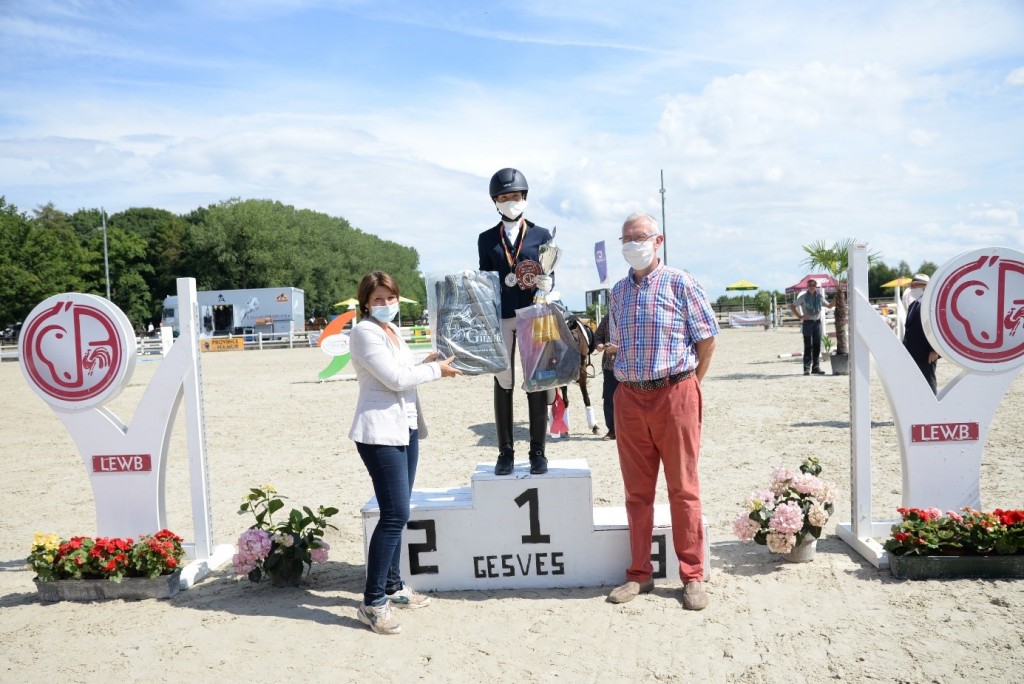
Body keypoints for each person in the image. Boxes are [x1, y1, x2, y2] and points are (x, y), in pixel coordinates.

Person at [606, 212, 718, 611]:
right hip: (630, 397)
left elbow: (706, 341)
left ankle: (692, 575)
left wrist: (691, 386)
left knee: (683, 489)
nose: (631, 245)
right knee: (637, 493)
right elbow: (618, 342)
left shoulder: (681, 282)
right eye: (625, 239)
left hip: (675, 392)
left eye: (638, 237)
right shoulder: (617, 292)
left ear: (658, 240)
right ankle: (639, 573)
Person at [348, 271, 462, 635]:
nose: (385, 305)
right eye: (378, 299)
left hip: (405, 428)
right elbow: (394, 380)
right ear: (365, 302)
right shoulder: (365, 331)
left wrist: (426, 361)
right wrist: (434, 370)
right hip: (379, 432)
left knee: (398, 510)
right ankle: (372, 601)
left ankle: (393, 586)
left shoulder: (391, 331)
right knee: (395, 514)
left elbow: (403, 370)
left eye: (390, 298)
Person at [477, 167, 554, 476]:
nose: (512, 202)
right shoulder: (486, 239)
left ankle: (538, 451)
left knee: (535, 380)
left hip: (532, 313)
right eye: (505, 197)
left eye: (517, 196)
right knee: (503, 380)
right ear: (496, 201)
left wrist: (549, 283)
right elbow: (485, 278)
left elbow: (549, 268)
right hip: (503, 317)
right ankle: (505, 451)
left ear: (525, 198)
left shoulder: (541, 235)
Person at [902, 273, 939, 394]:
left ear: (925, 287)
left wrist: (934, 350)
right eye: (912, 286)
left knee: (928, 380)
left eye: (915, 285)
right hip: (911, 352)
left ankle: (934, 407)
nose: (912, 289)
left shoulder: (930, 306)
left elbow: (934, 329)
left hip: (926, 353)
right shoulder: (914, 304)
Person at [789, 279, 834, 375]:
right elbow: (792, 306)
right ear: (807, 286)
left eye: (813, 285)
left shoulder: (820, 297)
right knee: (808, 346)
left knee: (817, 345)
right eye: (810, 285)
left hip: (817, 323)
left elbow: (829, 306)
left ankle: (816, 367)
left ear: (816, 286)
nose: (812, 286)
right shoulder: (803, 297)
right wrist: (800, 317)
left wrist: (837, 298)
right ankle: (806, 368)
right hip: (808, 323)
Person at [593, 313, 618, 440]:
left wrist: (618, 349)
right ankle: (612, 429)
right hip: (609, 366)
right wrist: (598, 344)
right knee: (609, 399)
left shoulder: (634, 314)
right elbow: (597, 336)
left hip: (629, 367)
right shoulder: (608, 317)